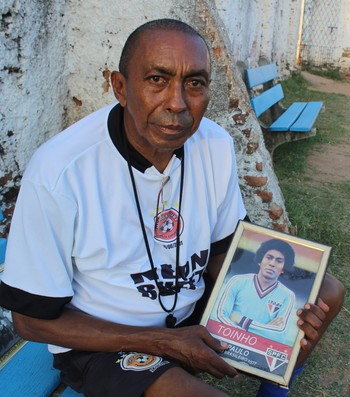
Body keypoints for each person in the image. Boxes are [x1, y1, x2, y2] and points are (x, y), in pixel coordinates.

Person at [0, 18, 345, 397]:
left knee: (324, 292)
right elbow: (30, 321)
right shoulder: (59, 171)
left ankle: (272, 388)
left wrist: (285, 300)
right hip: (106, 343)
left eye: (194, 83)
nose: (177, 103)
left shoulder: (214, 145)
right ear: (120, 87)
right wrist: (162, 343)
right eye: (157, 80)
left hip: (191, 315)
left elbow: (222, 252)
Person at [217, 239, 297, 344]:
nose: (272, 264)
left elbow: (279, 334)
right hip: (226, 343)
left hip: (257, 351)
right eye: (269, 258)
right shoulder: (238, 281)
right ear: (260, 260)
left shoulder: (288, 296)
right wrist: (263, 330)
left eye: (279, 261)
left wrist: (242, 320)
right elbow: (220, 315)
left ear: (283, 268)